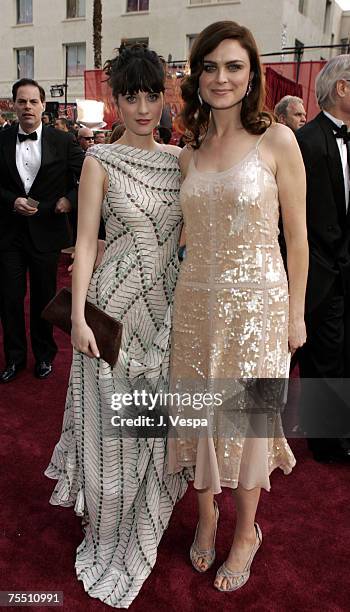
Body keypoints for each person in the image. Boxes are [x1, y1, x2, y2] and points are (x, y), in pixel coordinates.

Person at [45, 44, 189, 608]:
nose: (143, 107)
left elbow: (188, 243)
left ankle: (142, 523)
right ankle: (106, 531)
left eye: (152, 96)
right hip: (110, 316)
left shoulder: (180, 161)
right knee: (108, 432)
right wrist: (78, 316)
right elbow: (84, 241)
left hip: (162, 316)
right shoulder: (98, 162)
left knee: (148, 430)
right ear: (115, 102)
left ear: (163, 98)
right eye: (131, 97)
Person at [168, 20, 308, 592]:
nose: (221, 77)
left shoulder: (278, 140)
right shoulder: (188, 152)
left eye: (234, 66)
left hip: (259, 312)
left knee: (249, 424)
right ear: (197, 75)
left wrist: (297, 315)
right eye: (210, 66)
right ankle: (206, 518)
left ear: (252, 77)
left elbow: (297, 237)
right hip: (195, 307)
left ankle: (246, 531)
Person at [0, 78, 84, 383]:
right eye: (21, 102)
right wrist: (12, 201)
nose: (27, 107)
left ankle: (45, 355)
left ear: (42, 105)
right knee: (9, 298)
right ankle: (15, 358)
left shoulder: (62, 141)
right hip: (9, 234)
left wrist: (69, 200)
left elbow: (89, 173)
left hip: (46, 233)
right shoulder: (2, 138)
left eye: (33, 102)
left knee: (43, 297)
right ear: (12, 106)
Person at [296, 55, 350, 463]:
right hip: (318, 269)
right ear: (341, 89)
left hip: (348, 268)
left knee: (341, 353)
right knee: (322, 357)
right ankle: (325, 440)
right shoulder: (305, 141)